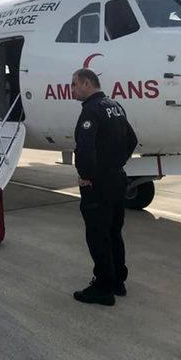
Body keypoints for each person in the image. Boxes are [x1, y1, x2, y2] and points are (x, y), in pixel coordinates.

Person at [70, 68, 138, 306]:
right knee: (114, 233)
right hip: (118, 179)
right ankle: (119, 280)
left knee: (98, 236)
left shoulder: (91, 110)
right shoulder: (115, 106)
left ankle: (103, 287)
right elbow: (132, 140)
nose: (72, 90)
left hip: (98, 184)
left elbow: (85, 149)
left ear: (87, 84)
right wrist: (117, 162)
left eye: (74, 85)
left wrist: (86, 176)